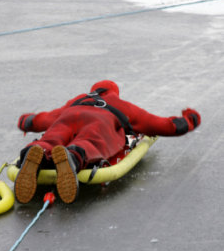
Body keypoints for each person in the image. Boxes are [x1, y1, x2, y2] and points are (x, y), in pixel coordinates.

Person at [14, 80, 201, 204]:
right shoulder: (123, 106)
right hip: (103, 121)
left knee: (53, 136)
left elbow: (47, 118)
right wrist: (188, 120)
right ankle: (73, 156)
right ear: (115, 92)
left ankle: (36, 152)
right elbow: (160, 125)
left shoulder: (79, 99)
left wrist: (26, 121)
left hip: (70, 114)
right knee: (92, 141)